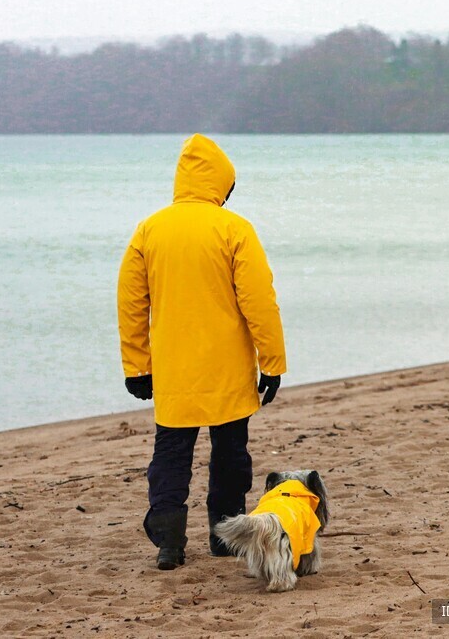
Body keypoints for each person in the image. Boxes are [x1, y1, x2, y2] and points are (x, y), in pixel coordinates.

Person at [117, 133, 287, 570]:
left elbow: (131, 302)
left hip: (174, 371)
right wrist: (272, 363)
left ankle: (169, 543)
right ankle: (224, 538)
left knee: (171, 456)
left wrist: (137, 366)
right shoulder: (234, 229)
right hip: (227, 368)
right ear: (222, 185)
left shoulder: (149, 229)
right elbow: (259, 302)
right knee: (230, 456)